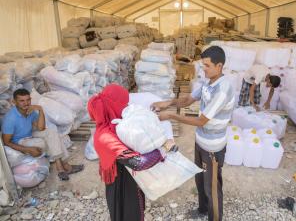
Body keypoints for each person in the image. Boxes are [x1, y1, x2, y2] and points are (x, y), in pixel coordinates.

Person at [151, 46, 234, 221]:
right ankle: (203, 209)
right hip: (201, 141)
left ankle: (215, 218)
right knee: (200, 178)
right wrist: (169, 103)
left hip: (213, 147)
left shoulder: (223, 89)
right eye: (203, 65)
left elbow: (202, 121)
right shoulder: (208, 82)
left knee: (212, 186)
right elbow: (189, 99)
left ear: (219, 66)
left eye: (207, 65)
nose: (203, 69)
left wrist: (171, 115)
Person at [87, 84, 175, 221]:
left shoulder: (119, 125)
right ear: (114, 105)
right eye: (124, 102)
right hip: (122, 185)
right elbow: (138, 163)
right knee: (128, 214)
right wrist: (163, 149)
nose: (127, 105)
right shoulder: (106, 137)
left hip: (129, 178)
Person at [1, 88, 84, 181]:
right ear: (14, 102)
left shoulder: (30, 110)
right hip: (20, 140)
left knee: (52, 132)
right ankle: (65, 167)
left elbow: (41, 128)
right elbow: (6, 142)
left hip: (30, 134)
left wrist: (40, 109)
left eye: (28, 100)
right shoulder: (10, 118)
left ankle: (61, 168)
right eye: (22, 101)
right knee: (46, 143)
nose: (26, 103)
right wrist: (27, 149)